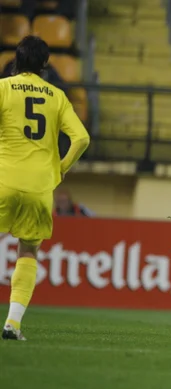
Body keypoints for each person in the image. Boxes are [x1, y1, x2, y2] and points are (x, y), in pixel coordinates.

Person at [1, 36, 90, 341]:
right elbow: (81, 139)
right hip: (40, 185)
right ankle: (12, 324)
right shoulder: (56, 96)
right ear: (44, 65)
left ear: (16, 60)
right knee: (27, 250)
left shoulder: (2, 88)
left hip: (3, 179)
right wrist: (61, 168)